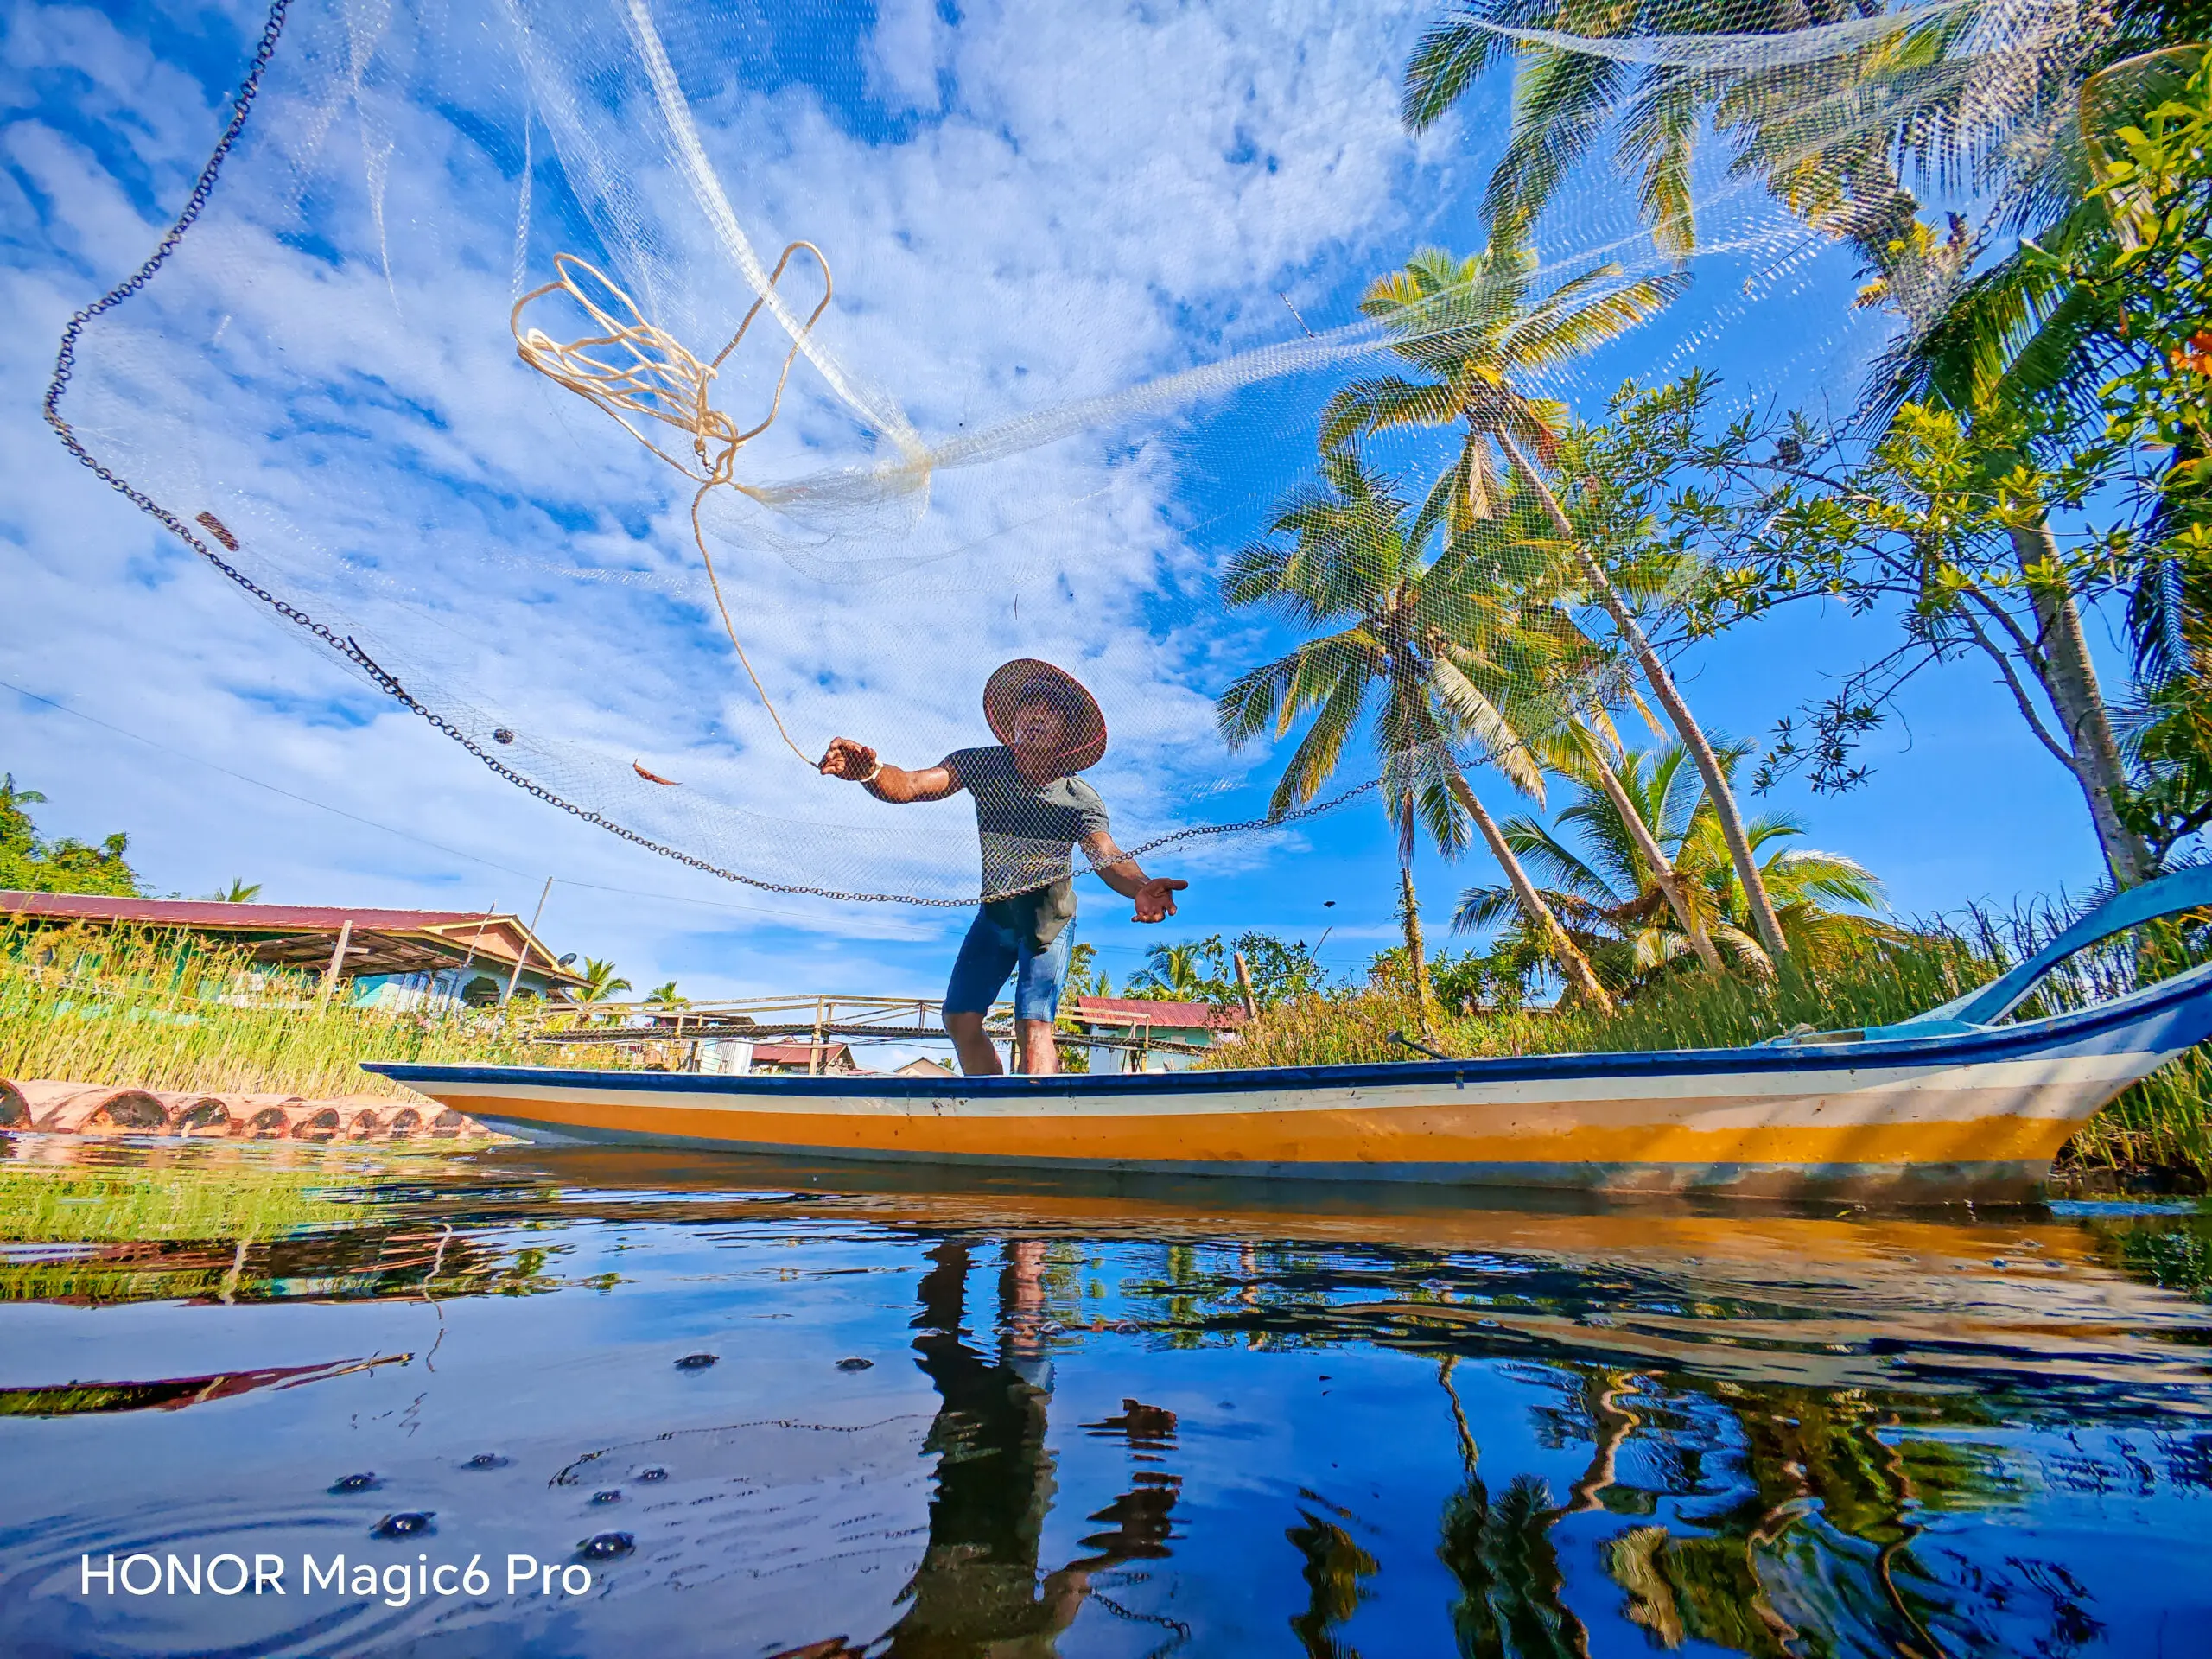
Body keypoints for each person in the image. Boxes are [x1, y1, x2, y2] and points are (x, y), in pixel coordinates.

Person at [818, 658, 1185, 1076]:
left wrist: (1139, 886)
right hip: (994, 917)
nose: (1035, 716)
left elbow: (1105, 853)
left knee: (1033, 1027)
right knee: (959, 1018)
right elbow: (913, 786)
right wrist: (873, 772)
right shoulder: (980, 765)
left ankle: (1038, 1126)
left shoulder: (1078, 798)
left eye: (1051, 712)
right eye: (1028, 706)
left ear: (1067, 735)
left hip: (1048, 925)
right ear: (1012, 719)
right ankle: (990, 1109)